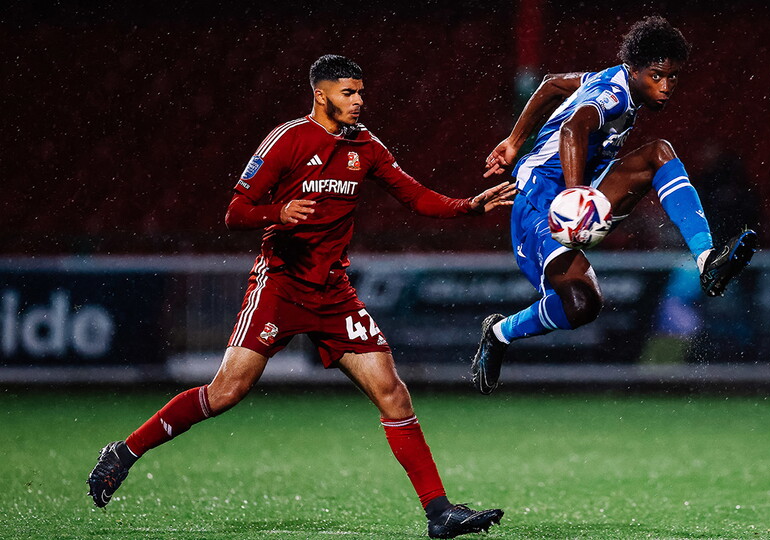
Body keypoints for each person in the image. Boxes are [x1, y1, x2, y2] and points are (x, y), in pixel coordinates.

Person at [87, 54, 511, 539]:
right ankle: (124, 452)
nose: (358, 101)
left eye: (361, 92)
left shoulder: (365, 145)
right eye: (348, 92)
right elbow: (235, 212)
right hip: (280, 285)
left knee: (393, 394)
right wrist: (278, 210)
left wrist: (467, 207)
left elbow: (415, 196)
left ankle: (439, 513)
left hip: (334, 292)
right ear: (321, 93)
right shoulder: (288, 139)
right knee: (226, 393)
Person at [474, 16, 757, 394]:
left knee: (660, 153)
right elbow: (575, 128)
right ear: (634, 70)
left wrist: (513, 140)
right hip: (540, 203)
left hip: (586, 189)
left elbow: (552, 84)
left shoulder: (610, 78)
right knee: (580, 305)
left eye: (673, 77)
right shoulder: (615, 93)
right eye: (657, 75)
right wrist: (576, 196)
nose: (666, 86)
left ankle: (707, 260)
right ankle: (499, 333)